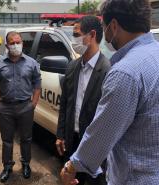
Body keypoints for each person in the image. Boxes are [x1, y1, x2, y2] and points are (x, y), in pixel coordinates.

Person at [60, 0, 159, 185]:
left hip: (135, 178)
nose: (104, 32)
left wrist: (71, 167)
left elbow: (101, 135)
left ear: (113, 26)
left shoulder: (125, 72)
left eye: (104, 26)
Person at [56, 16, 110, 185]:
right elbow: (65, 103)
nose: (74, 39)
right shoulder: (72, 66)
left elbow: (108, 118)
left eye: (76, 34)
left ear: (92, 35)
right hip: (72, 140)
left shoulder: (108, 71)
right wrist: (60, 134)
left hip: (94, 146)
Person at [0, 31, 41, 183]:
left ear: (22, 43)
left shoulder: (31, 63)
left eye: (18, 42)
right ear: (7, 45)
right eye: (12, 43)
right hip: (5, 107)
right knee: (7, 140)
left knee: (26, 139)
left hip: (25, 106)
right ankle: (7, 167)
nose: (16, 45)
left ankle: (26, 164)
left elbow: (37, 84)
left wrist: (33, 104)